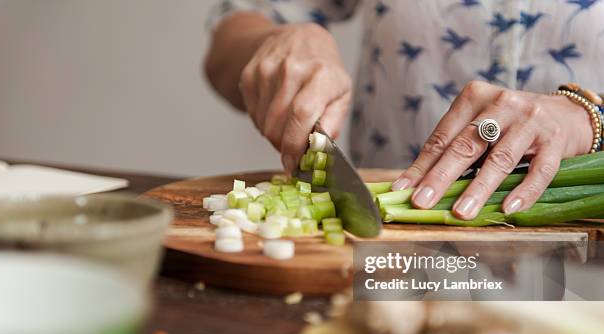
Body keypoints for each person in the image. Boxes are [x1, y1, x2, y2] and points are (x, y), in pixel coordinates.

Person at [204, 0, 604, 220]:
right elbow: (228, 43)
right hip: (387, 262)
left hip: (584, 265)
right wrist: (278, 40)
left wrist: (590, 118)